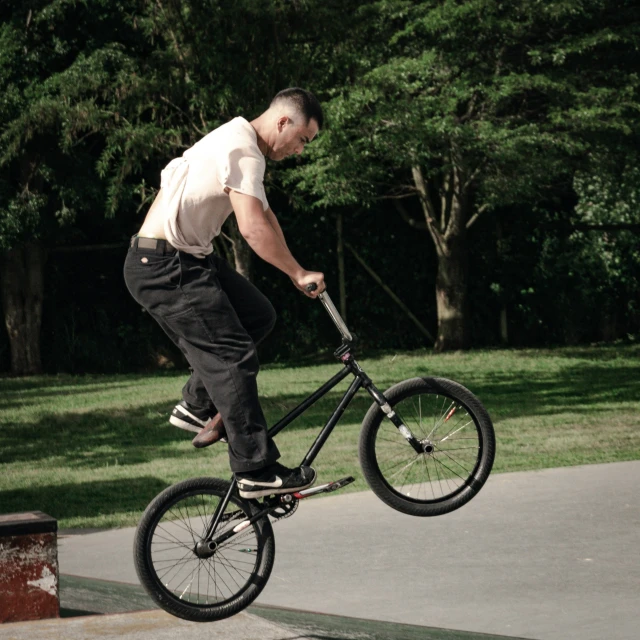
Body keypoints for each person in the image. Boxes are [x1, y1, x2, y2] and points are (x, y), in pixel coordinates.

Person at [124, 88, 325, 499]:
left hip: (185, 259)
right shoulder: (243, 151)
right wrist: (297, 271)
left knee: (258, 316)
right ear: (283, 122)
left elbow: (265, 218)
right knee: (233, 356)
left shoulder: (236, 137)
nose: (300, 150)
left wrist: (294, 271)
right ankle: (255, 468)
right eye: (303, 140)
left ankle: (196, 404)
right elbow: (250, 230)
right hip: (166, 266)